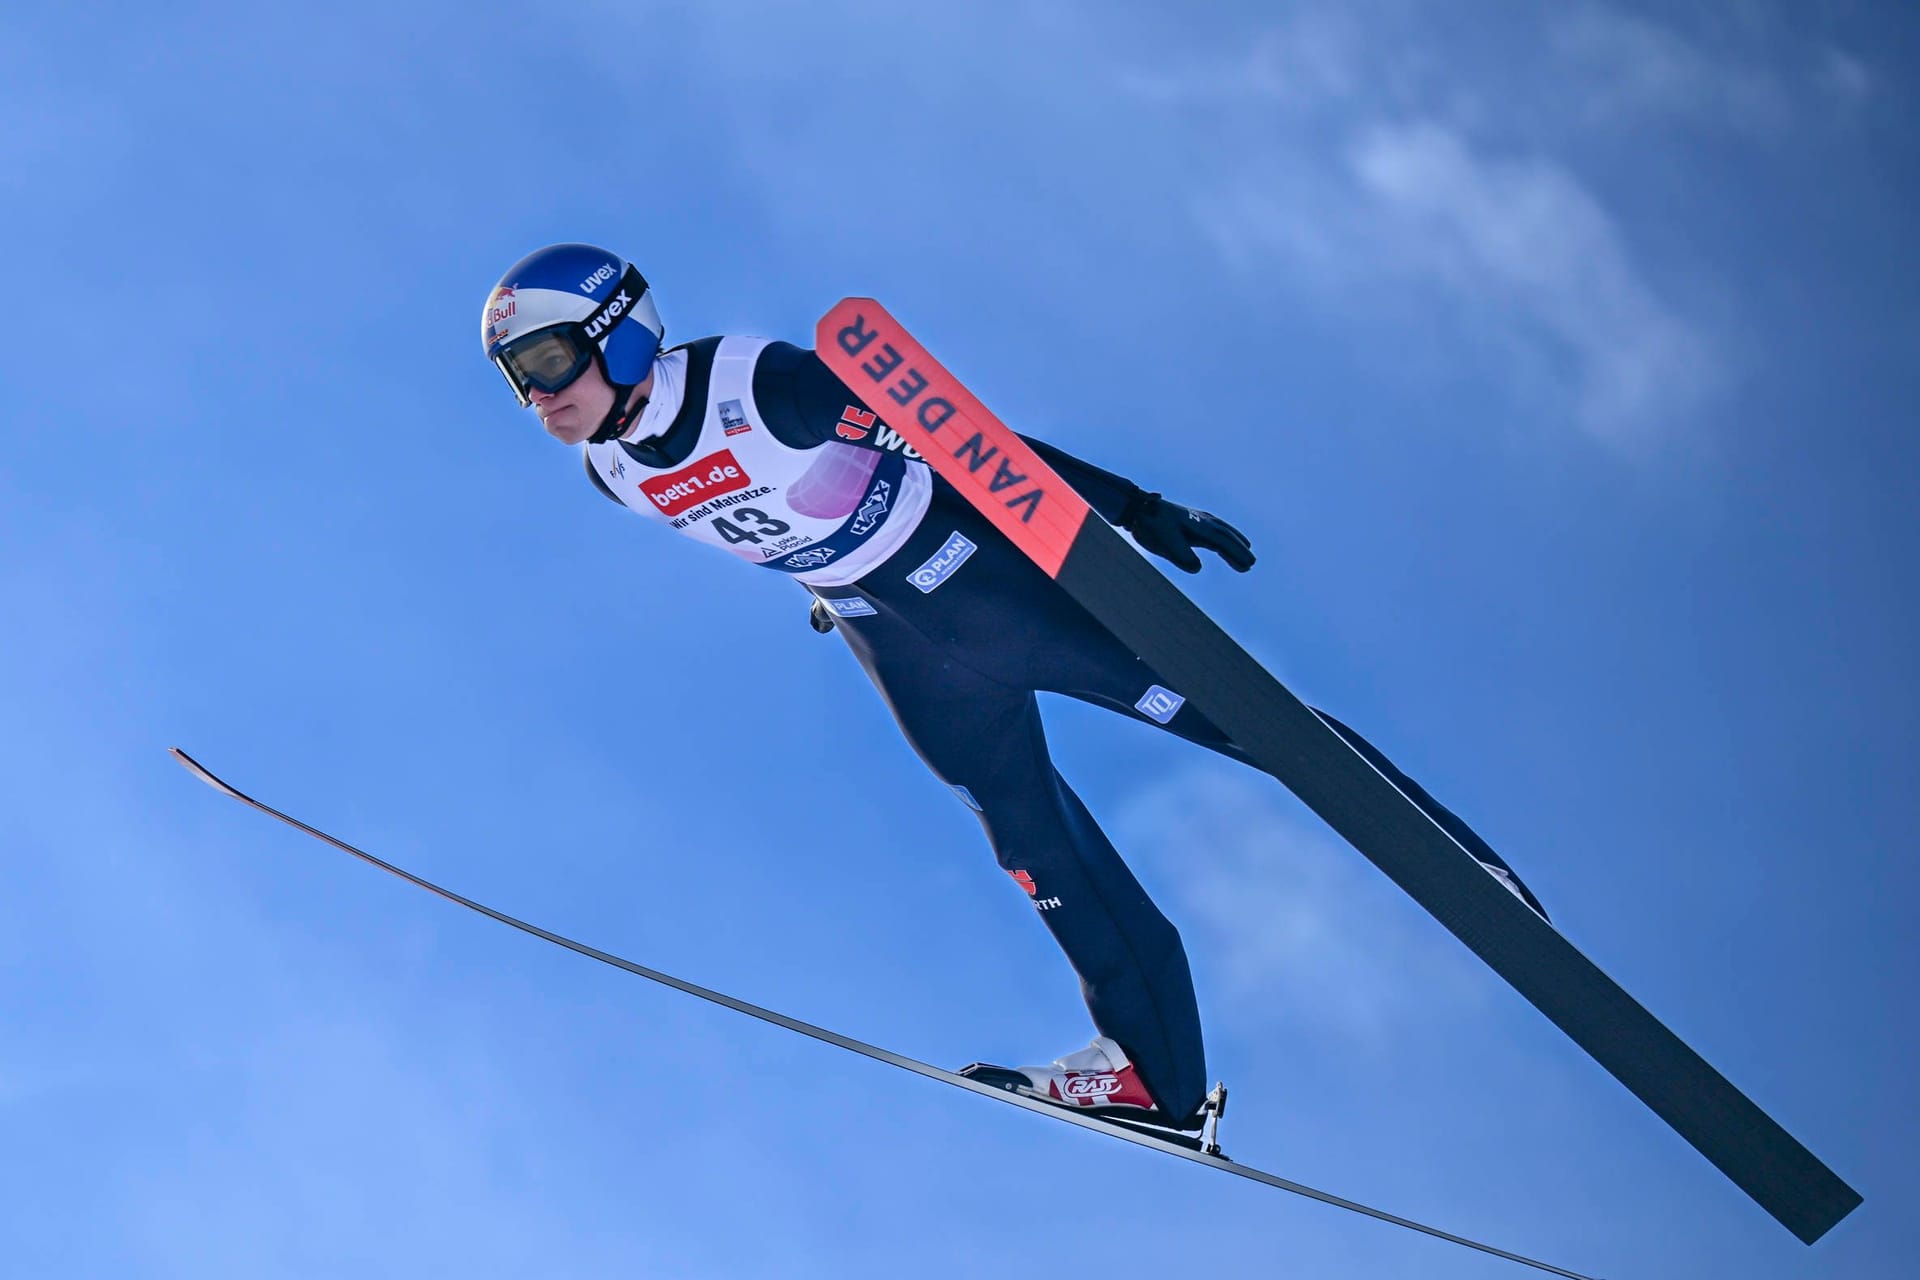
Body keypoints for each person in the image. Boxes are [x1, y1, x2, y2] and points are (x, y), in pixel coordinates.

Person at [482, 242, 1547, 1134]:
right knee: (1033, 845)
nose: (537, 393)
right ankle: (1155, 1074)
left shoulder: (761, 385)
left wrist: (1131, 506)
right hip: (901, 644)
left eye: (545, 357)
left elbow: (969, 445)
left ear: (619, 329)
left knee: (1245, 719)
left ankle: (1460, 863)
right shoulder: (611, 471)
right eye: (514, 375)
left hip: (988, 581)